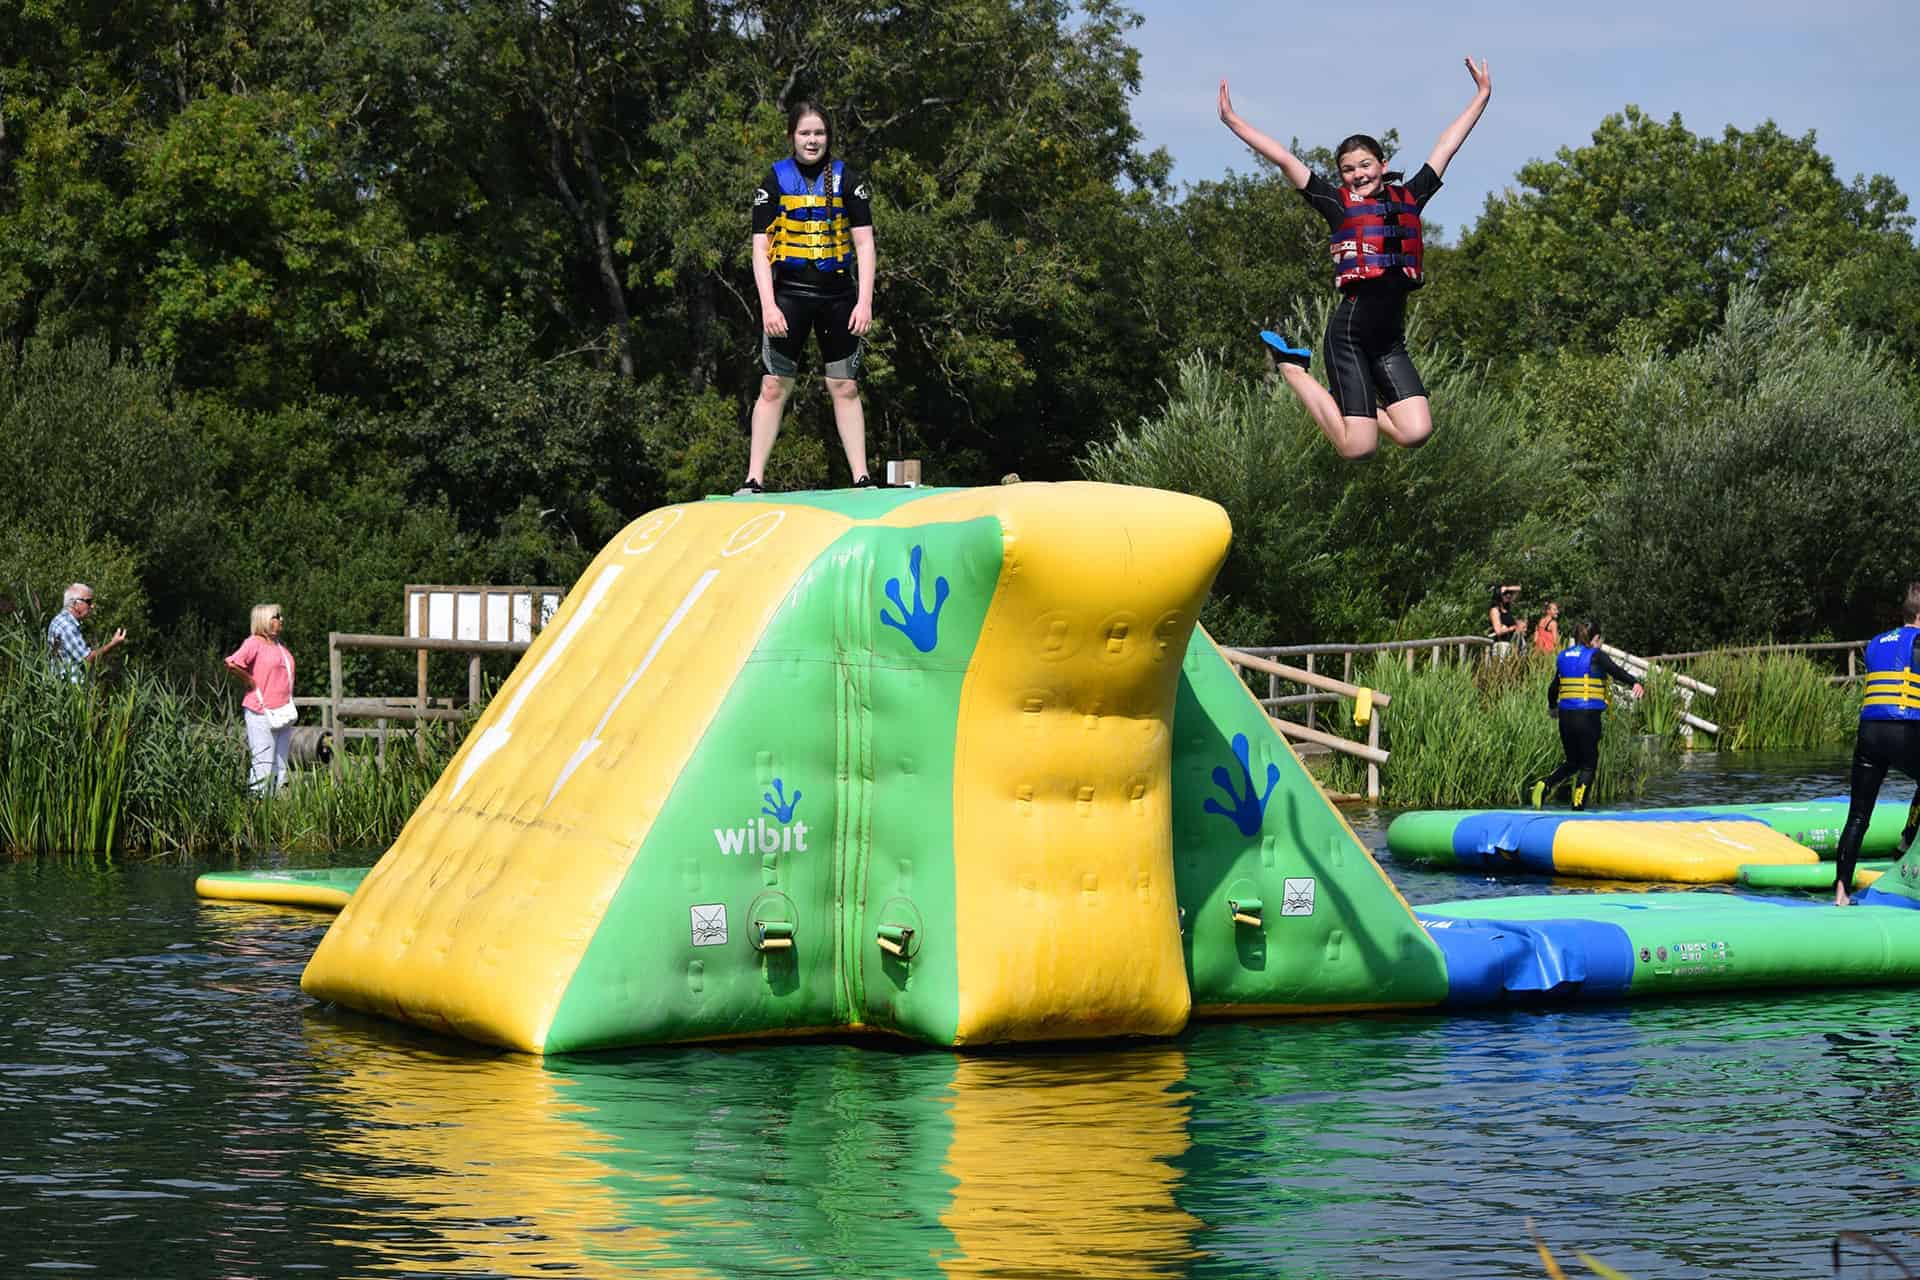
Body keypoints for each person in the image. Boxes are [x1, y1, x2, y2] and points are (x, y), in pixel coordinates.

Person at [1217, 57, 1492, 459]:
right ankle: (1292, 366)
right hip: (1350, 337)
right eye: (1348, 170)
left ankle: (1350, 399)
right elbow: (1283, 159)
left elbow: (1447, 146)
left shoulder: (1410, 198)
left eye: (1365, 165)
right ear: (1341, 176)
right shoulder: (1337, 205)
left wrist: (1482, 96)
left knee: (1416, 432)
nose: (1358, 174)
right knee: (1356, 448)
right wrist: (1232, 120)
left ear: (1383, 165)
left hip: (1389, 342)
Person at [739, 101, 877, 495]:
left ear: (827, 137)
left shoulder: (847, 178)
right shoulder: (774, 180)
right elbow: (759, 248)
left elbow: (865, 244)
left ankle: (861, 478)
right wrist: (767, 304)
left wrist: (864, 302)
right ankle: (753, 480)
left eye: (819, 133)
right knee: (772, 385)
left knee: (844, 386)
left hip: (838, 295)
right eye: (805, 133)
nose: (812, 140)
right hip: (790, 296)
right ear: (792, 136)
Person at [1831, 584, 1920, 906]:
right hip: (1904, 731)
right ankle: (1907, 840)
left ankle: (1841, 891)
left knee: (1858, 815)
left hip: (1869, 734)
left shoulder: (1877, 642)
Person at [1530, 619, 1644, 811]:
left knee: (1573, 762)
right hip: (1588, 717)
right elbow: (1616, 671)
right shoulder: (1596, 655)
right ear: (1595, 639)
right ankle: (1577, 806)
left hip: (1566, 717)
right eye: (1600, 640)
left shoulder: (1563, 656)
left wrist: (1552, 707)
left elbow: (1553, 687)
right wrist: (1635, 682)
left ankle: (1546, 784)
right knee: (1588, 765)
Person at [225, 603, 297, 795]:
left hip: (283, 711)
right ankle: (257, 808)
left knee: (281, 765)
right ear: (264, 620)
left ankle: (277, 808)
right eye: (276, 616)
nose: (281, 620)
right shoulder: (254, 642)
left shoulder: (280, 646)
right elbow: (231, 663)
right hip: (260, 711)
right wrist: (248, 679)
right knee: (263, 762)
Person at [46, 583, 125, 682]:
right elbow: (87, 659)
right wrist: (113, 644)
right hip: (69, 690)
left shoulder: (62, 620)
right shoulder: (67, 626)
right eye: (88, 601)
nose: (92, 606)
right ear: (75, 604)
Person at [1487, 584, 1525, 657]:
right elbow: (1498, 631)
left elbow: (1519, 588)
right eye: (1505, 594)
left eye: (1509, 593)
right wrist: (1513, 627)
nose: (1508, 595)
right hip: (1502, 645)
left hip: (1511, 644)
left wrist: (1507, 588)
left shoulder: (1507, 609)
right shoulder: (1495, 610)